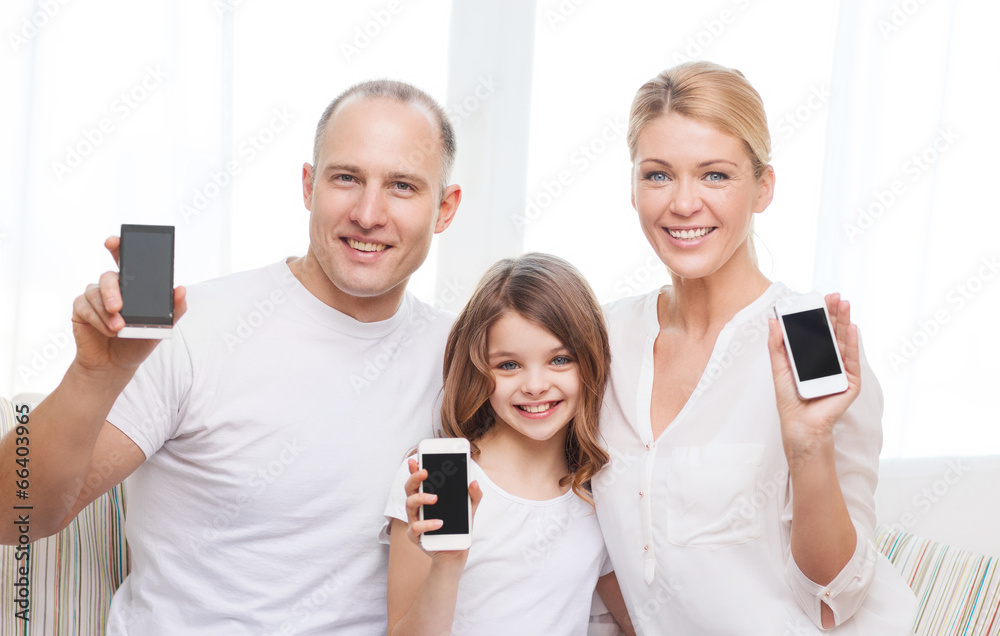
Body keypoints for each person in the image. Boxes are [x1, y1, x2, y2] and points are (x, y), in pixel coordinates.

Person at [0, 79, 462, 634]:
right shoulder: (196, 328)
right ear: (309, 185)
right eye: (346, 178)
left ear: (445, 208)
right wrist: (93, 375)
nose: (368, 213)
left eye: (403, 186)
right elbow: (15, 515)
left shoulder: (464, 360)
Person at [593, 61, 919, 634]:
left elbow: (834, 598)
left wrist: (808, 445)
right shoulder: (604, 339)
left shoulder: (809, 336)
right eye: (658, 175)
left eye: (715, 175)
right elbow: (589, 536)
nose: (684, 204)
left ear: (763, 187)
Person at [382, 253, 634, 636]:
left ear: (591, 362)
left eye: (560, 360)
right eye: (509, 365)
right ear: (479, 370)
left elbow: (641, 618)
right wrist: (447, 565)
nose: (534, 385)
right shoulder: (441, 479)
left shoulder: (595, 491)